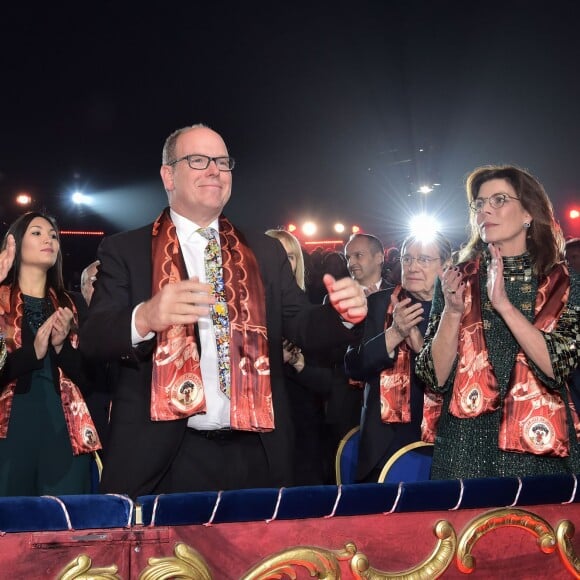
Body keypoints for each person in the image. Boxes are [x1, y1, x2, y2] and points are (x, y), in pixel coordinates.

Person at [80, 123, 367, 498]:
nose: (214, 170)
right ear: (169, 175)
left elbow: (302, 324)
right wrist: (146, 317)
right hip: (165, 456)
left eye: (222, 161)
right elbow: (94, 337)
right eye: (198, 160)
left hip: (257, 452)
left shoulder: (262, 252)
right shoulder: (126, 251)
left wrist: (341, 314)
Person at [416, 164, 580, 480]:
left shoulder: (566, 284)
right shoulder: (455, 280)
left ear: (528, 213)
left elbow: (558, 366)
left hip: (540, 452)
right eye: (479, 203)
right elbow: (433, 376)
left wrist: (503, 304)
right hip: (464, 448)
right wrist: (451, 313)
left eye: (499, 200)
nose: (485, 210)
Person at [0, 212, 101, 496]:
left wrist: (60, 347)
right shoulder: (1, 299)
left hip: (64, 431)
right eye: (37, 232)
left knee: (65, 521)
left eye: (53, 235)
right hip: (10, 430)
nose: (49, 239)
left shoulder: (73, 304)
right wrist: (31, 354)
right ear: (14, 243)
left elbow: (92, 379)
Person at [345, 232, 452, 482]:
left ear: (446, 265)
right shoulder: (379, 304)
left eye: (424, 259)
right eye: (407, 259)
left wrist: (421, 347)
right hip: (385, 442)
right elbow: (353, 366)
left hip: (446, 442)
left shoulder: (457, 308)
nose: (413, 267)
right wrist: (394, 333)